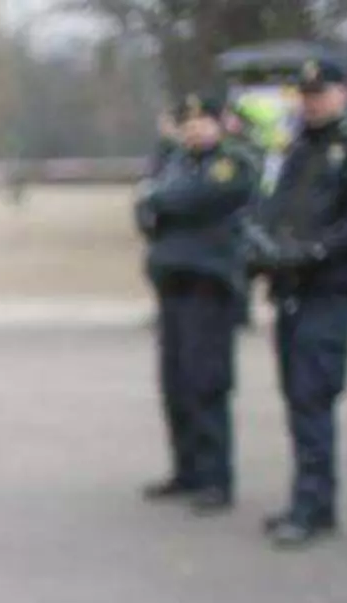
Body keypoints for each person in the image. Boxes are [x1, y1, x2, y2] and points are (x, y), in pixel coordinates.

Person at [244, 56, 347, 548]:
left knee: (313, 393)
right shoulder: (295, 149)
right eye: (305, 95)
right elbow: (275, 208)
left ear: (342, 94)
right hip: (292, 287)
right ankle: (312, 501)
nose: (311, 102)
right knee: (296, 393)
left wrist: (318, 248)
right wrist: (264, 247)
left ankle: (312, 505)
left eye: (320, 92)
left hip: (329, 287)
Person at [133, 93, 257, 514]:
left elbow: (193, 199)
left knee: (207, 382)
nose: (194, 129)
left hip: (210, 286)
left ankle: (215, 477)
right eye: (187, 123)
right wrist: (158, 200)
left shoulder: (231, 163)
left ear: (220, 124)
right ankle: (186, 469)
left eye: (203, 121)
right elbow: (147, 210)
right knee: (176, 382)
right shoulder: (175, 163)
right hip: (173, 283)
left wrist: (161, 199)